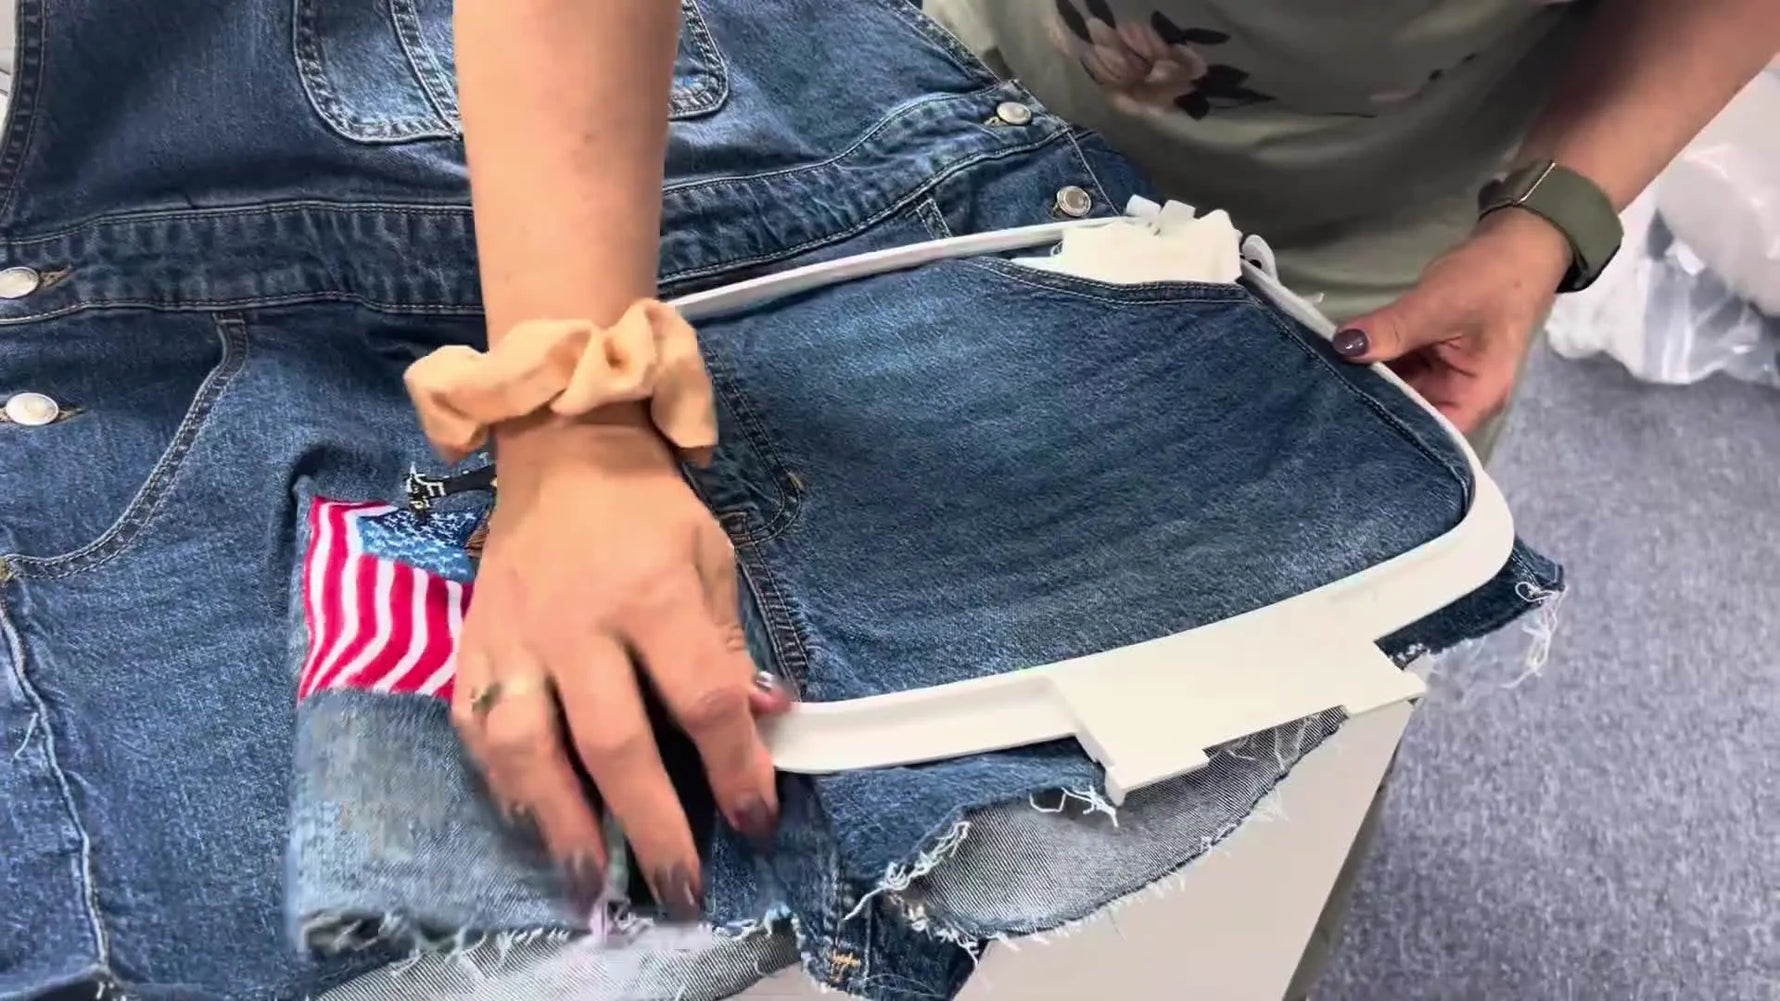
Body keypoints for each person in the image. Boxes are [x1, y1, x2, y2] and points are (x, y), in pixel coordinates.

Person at [447, 0, 1779, 983]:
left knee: (1209, 866)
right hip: (948, 130)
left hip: (1385, 287)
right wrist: (568, 412)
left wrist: (1552, 216)